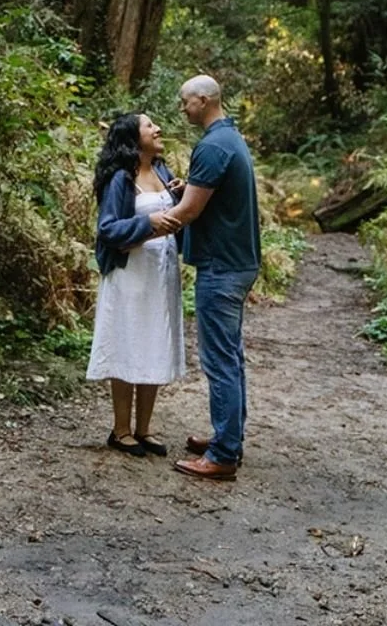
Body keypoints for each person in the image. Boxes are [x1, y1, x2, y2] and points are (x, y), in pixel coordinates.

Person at [148, 74, 261, 481]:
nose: (182, 110)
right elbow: (206, 196)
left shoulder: (213, 145)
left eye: (185, 102)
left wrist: (138, 228)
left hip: (223, 266)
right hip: (237, 261)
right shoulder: (229, 138)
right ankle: (228, 435)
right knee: (231, 355)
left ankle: (224, 454)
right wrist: (186, 190)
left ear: (202, 99)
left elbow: (190, 212)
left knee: (219, 360)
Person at [86, 111, 186, 457]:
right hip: (131, 274)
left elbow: (179, 218)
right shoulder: (120, 179)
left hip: (161, 273)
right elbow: (109, 229)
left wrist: (184, 194)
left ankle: (145, 428)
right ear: (133, 137)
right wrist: (149, 225)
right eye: (149, 125)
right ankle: (121, 429)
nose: (158, 128)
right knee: (128, 341)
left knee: (154, 342)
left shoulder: (162, 171)